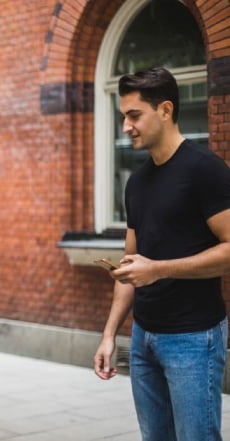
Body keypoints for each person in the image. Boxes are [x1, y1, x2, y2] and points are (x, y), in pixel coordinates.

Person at [93, 67, 230, 441]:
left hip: (193, 338)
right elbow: (130, 265)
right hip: (143, 338)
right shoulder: (136, 182)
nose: (125, 126)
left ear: (166, 110)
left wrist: (159, 269)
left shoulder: (206, 170)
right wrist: (109, 335)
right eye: (123, 116)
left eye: (134, 115)